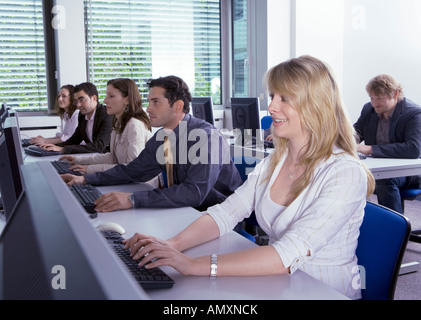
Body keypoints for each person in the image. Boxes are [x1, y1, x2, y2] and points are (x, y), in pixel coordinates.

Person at [122, 56, 376, 300]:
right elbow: (226, 213)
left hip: (322, 290)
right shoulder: (275, 161)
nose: (273, 106)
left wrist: (191, 265)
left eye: (284, 98)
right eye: (273, 96)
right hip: (277, 283)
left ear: (315, 105)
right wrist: (172, 244)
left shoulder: (345, 172)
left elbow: (285, 254)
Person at [61, 75, 243, 212]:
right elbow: (133, 170)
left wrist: (132, 199)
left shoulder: (205, 137)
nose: (148, 108)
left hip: (219, 213)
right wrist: (85, 179)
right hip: (187, 210)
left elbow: (193, 193)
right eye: (149, 102)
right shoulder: (163, 136)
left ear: (177, 106)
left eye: (156, 102)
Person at [354, 74, 421, 213]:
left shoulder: (413, 113)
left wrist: (371, 149)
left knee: (384, 181)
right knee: (353, 175)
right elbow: (356, 132)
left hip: (409, 173)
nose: (374, 103)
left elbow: (413, 149)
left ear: (395, 94)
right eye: (372, 98)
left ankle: (396, 230)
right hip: (381, 167)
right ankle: (363, 224)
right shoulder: (369, 109)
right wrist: (344, 141)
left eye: (379, 98)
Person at [59, 78, 152, 175]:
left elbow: (132, 168)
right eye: (106, 95)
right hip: (124, 179)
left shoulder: (134, 125)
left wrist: (89, 169)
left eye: (111, 96)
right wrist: (77, 160)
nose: (105, 100)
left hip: (139, 185)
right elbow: (112, 157)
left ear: (127, 100)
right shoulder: (118, 123)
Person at [41, 82, 113, 154]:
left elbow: (99, 146)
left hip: (108, 158)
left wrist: (64, 149)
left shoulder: (106, 115)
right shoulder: (82, 115)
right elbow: (74, 140)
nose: (78, 105)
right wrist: (51, 147)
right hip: (93, 156)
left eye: (82, 100)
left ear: (94, 98)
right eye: (76, 101)